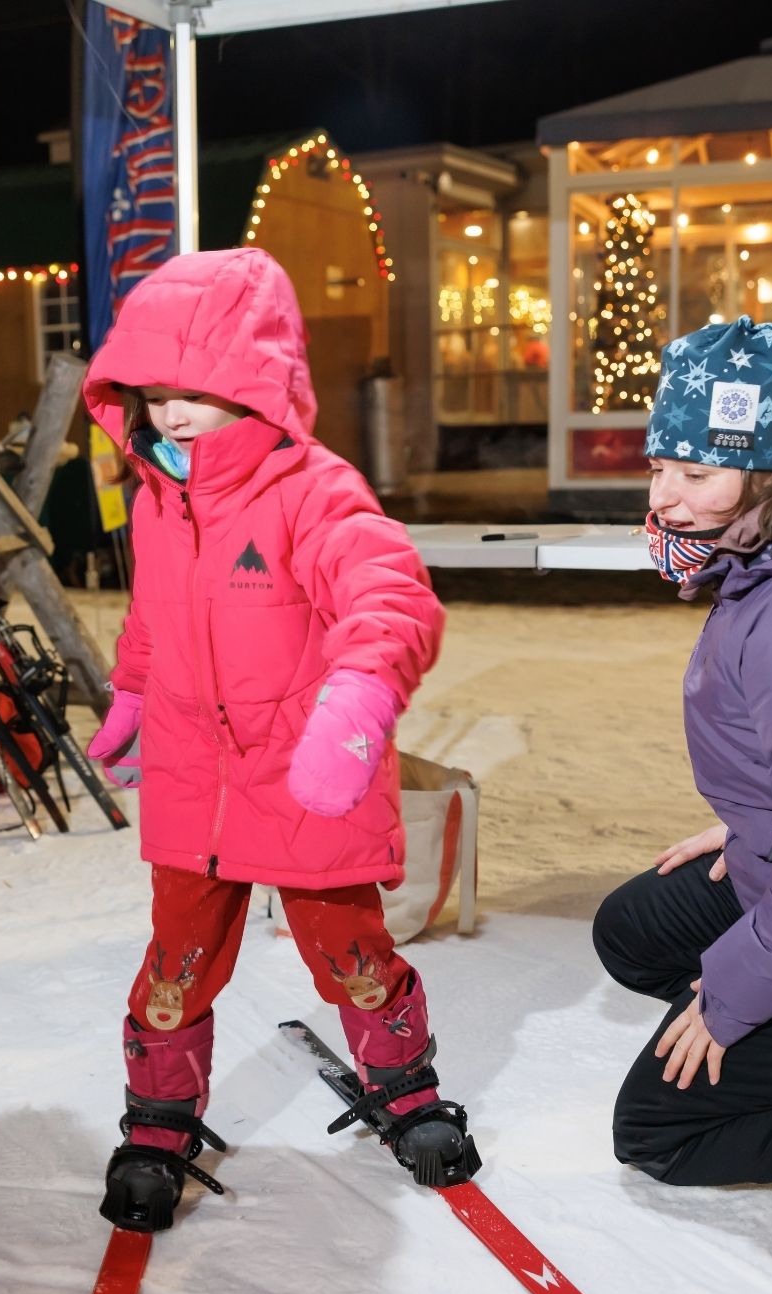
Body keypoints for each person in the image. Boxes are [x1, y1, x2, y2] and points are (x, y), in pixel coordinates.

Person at [83, 247, 480, 1232]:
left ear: (255, 378)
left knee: (350, 950)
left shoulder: (312, 488)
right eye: (155, 393)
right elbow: (154, 616)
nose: (172, 414)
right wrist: (133, 691)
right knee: (176, 961)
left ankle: (406, 1089)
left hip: (305, 772)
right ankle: (160, 1121)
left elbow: (387, 595)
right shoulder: (156, 494)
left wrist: (359, 700)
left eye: (196, 390)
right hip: (193, 774)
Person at [593, 313, 772, 1186]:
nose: (664, 498)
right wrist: (761, 819)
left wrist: (734, 1001)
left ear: (769, 472)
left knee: (657, 1130)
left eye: (697, 473)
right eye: (660, 467)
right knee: (634, 931)